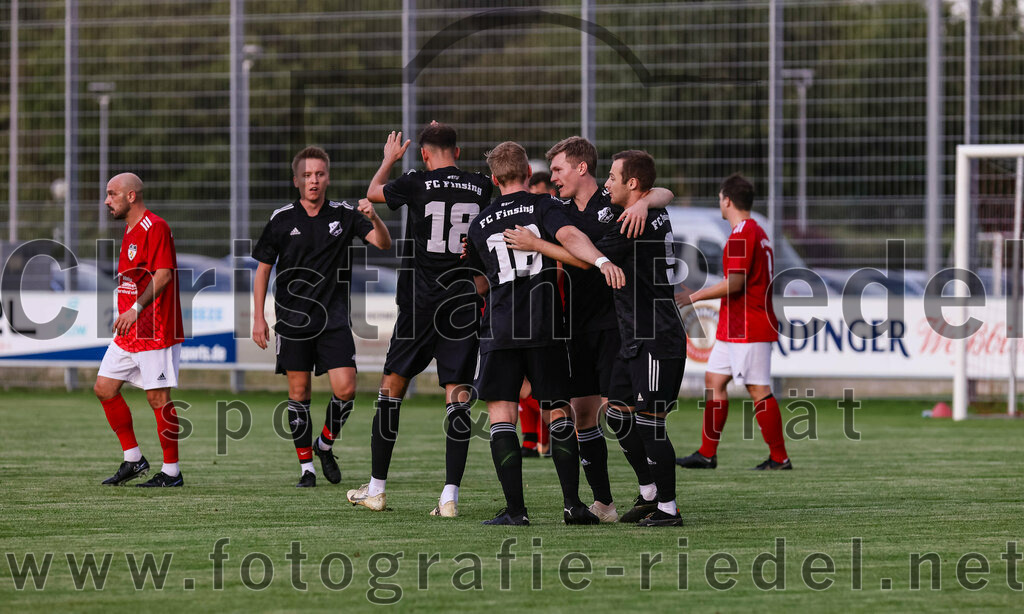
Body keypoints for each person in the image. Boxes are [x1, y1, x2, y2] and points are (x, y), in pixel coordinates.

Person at [506, 150, 685, 527]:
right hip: (580, 325)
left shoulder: (621, 206)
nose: (552, 176)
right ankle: (612, 501)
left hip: (626, 326)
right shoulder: (555, 207)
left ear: (580, 167)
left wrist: (647, 201)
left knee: (635, 417)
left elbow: (658, 191)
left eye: (557, 169)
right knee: (595, 415)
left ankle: (659, 498)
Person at [465, 141, 625, 526]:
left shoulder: (480, 222)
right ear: (526, 172)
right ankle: (572, 505)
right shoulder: (544, 206)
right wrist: (599, 259)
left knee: (503, 416)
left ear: (494, 178)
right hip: (545, 325)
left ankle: (516, 512)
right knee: (559, 411)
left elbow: (479, 282)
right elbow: (570, 237)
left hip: (501, 328)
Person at [346, 122, 492, 517]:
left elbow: (374, 193)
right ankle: (449, 497)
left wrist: (388, 160)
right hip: (462, 304)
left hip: (420, 303)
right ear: (457, 152)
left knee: (392, 387)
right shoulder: (481, 186)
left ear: (425, 154)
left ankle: (376, 488)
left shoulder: (417, 182)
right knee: (457, 396)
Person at [252, 146, 392, 488]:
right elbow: (262, 271)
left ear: (327, 177)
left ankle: (324, 444)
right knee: (299, 392)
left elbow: (383, 244)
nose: (313, 180)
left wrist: (374, 217)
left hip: (334, 320)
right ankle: (306, 469)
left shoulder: (344, 215)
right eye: (307, 175)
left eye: (319, 174)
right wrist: (258, 318)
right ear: (297, 180)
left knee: (346, 389)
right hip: (293, 320)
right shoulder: (281, 219)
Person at [674, 174, 791, 471]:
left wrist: (695, 296)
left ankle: (780, 458)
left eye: (720, 199)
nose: (720, 204)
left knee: (757, 388)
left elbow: (735, 282)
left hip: (748, 325)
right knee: (714, 381)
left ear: (727, 200)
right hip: (735, 324)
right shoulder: (757, 231)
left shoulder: (741, 235)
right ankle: (706, 453)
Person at [93, 172, 185, 487]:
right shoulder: (131, 230)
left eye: (112, 194)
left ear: (131, 196)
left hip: (155, 328)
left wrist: (135, 310)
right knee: (104, 388)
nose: (107, 201)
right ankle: (134, 459)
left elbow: (163, 276)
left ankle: (172, 473)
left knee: (158, 399)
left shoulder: (155, 227)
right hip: (130, 332)